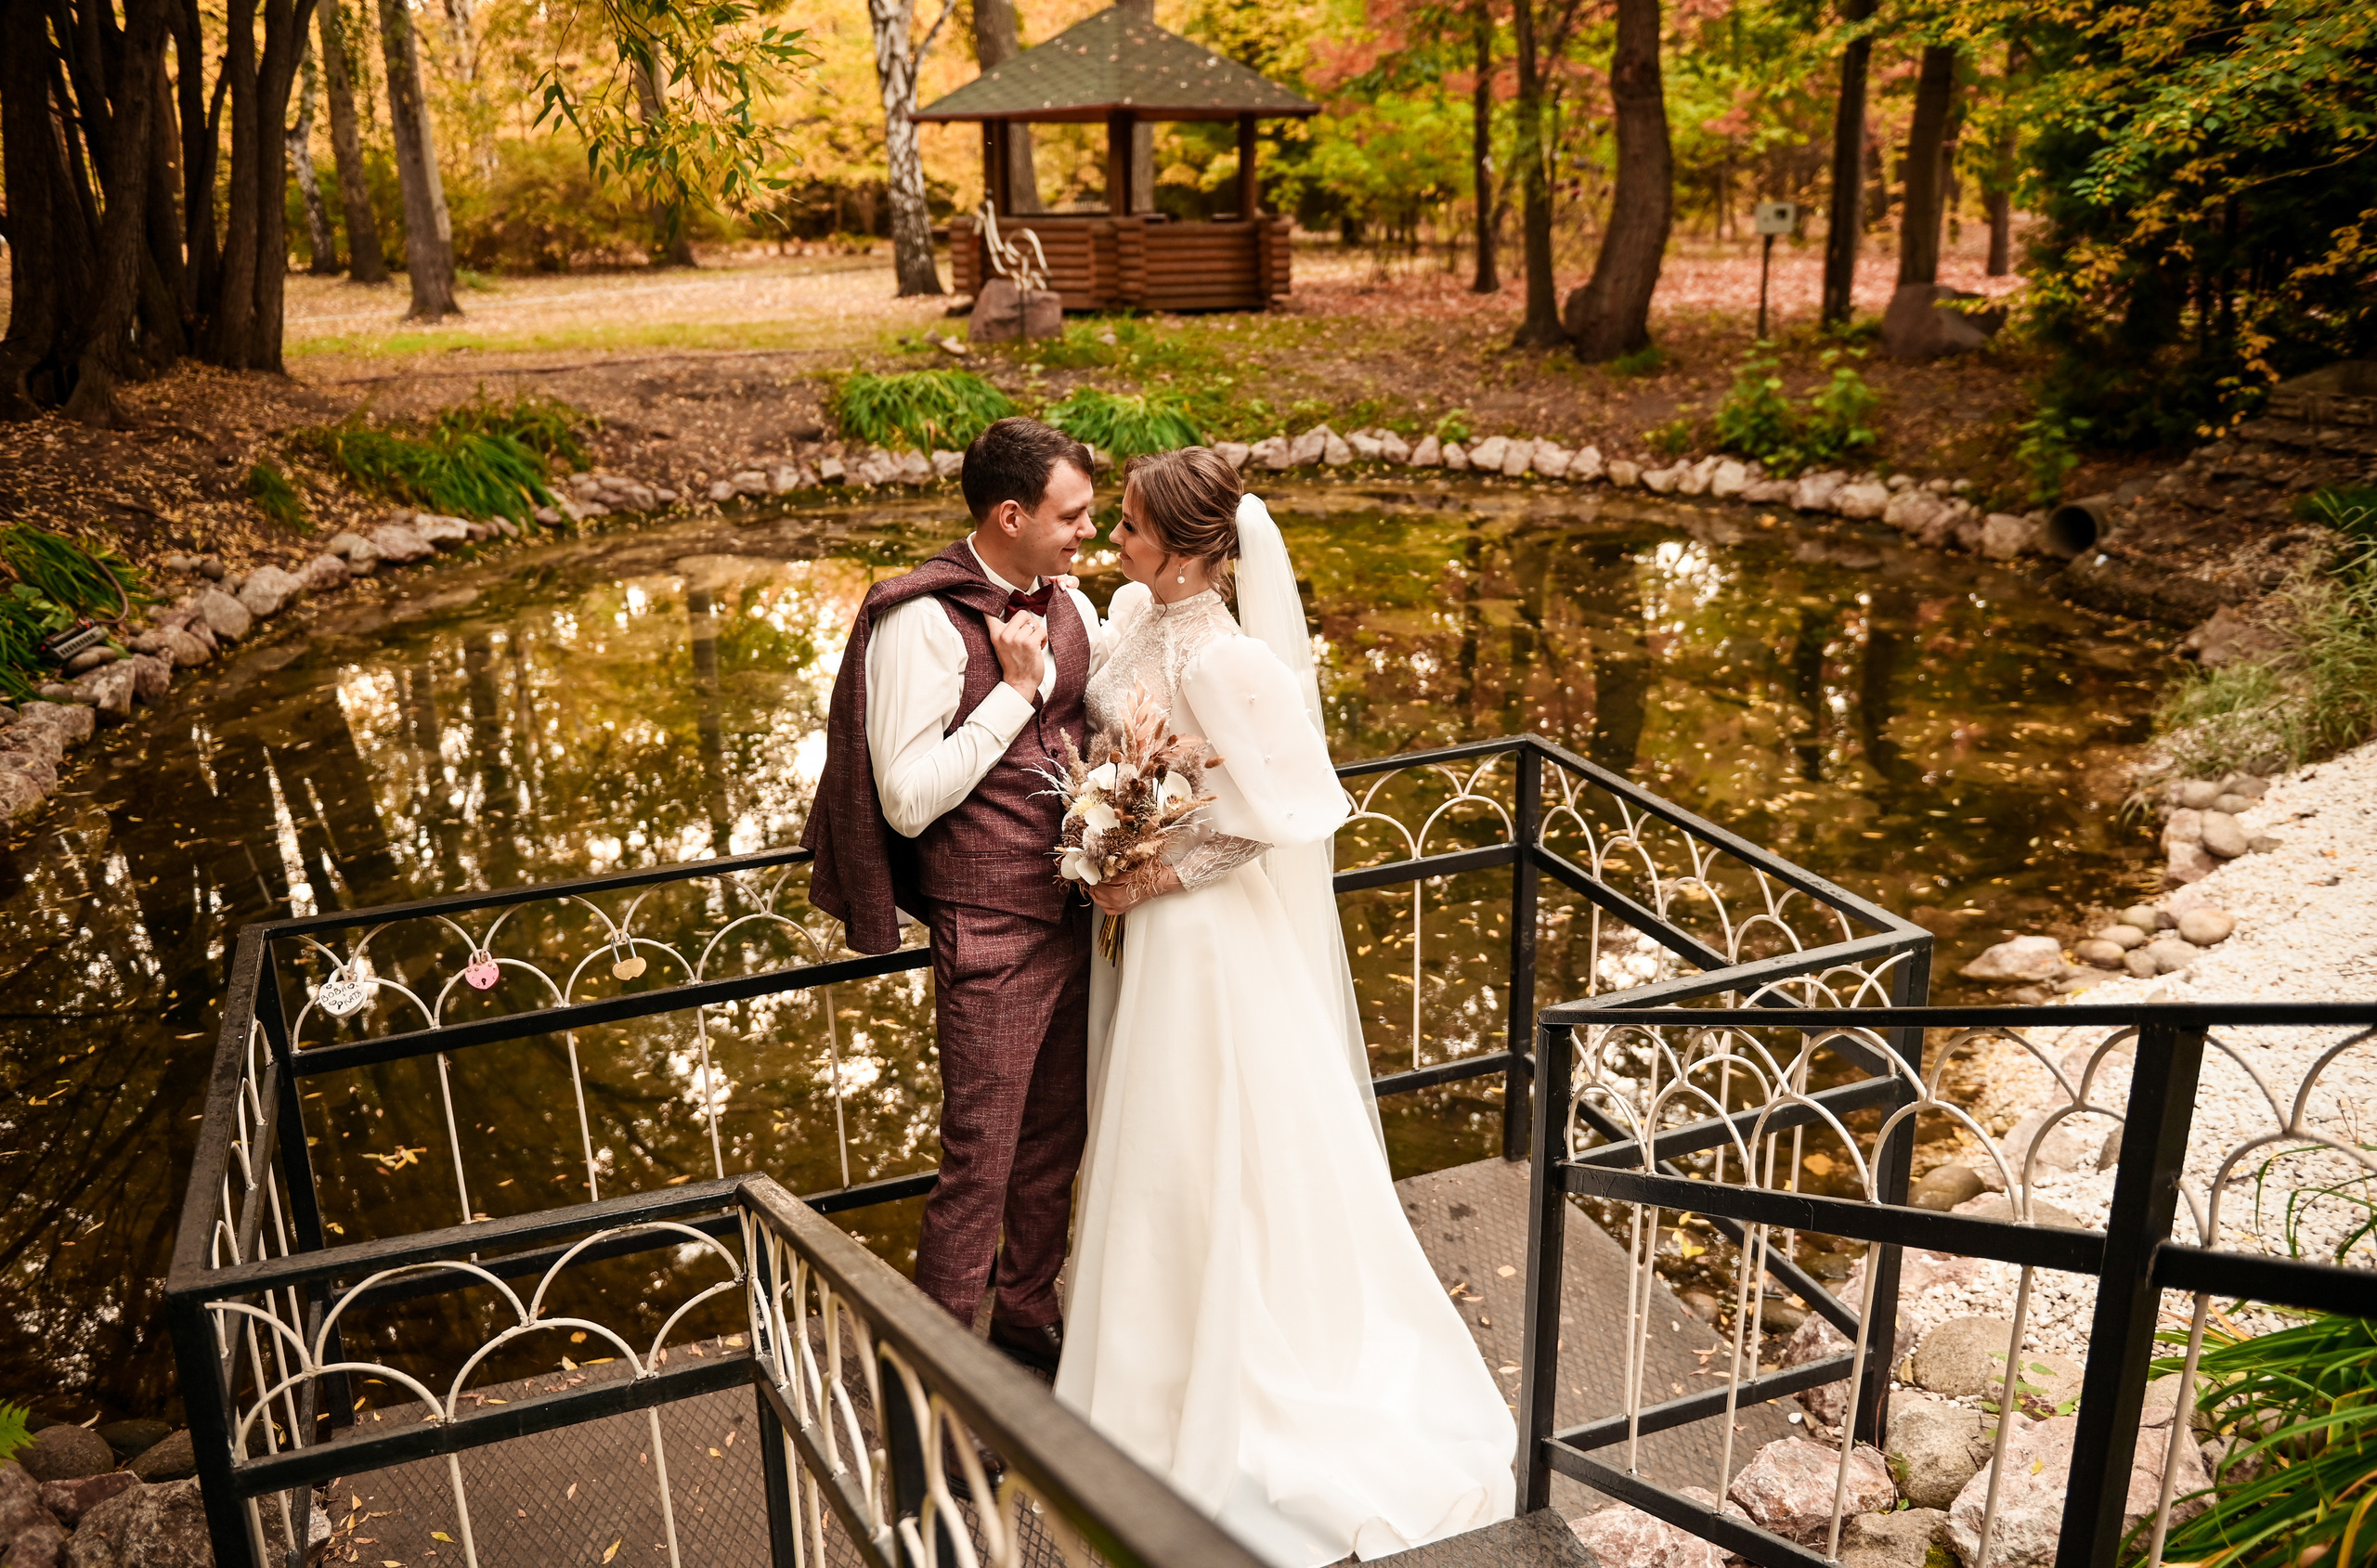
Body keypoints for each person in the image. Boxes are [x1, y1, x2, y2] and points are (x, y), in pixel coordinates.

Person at [1055, 447, 1517, 1566]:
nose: (1115, 540)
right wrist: (1100, 819)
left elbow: (1284, 813)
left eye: (1129, 527)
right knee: (1149, 1136)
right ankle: (1140, 1351)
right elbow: (1108, 712)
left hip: (1205, 937)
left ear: (1187, 547)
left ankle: (1229, 1366)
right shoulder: (1134, 613)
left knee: (1203, 1136)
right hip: (1139, 930)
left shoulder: (1231, 660)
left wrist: (1149, 872)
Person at [800, 417, 1106, 1372]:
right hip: (989, 931)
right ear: (1010, 515)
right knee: (979, 1166)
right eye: (1072, 515)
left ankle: (1025, 1316)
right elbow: (904, 799)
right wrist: (1012, 691)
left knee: (1055, 1144)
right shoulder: (920, 621)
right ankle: (936, 1382)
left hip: (1083, 916)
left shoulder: (1073, 604)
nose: (1089, 531)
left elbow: (1092, 734)